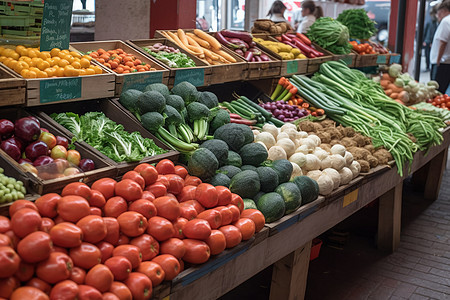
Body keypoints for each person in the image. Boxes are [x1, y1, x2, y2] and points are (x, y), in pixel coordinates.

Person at [430, 1, 450, 93]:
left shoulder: (446, 21)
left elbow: (443, 42)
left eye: (438, 13)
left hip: (442, 63)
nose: (438, 15)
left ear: (444, 10)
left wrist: (438, 60)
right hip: (446, 62)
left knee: (436, 91)